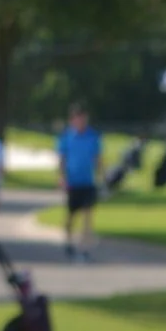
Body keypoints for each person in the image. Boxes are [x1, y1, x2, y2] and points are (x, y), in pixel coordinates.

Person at [56, 106, 101, 262]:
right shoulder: (67, 137)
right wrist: (61, 177)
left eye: (83, 118)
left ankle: (84, 247)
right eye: (78, 118)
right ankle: (68, 242)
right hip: (73, 182)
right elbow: (62, 159)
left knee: (87, 215)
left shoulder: (93, 136)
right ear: (73, 120)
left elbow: (97, 158)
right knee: (71, 216)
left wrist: (101, 176)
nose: (81, 121)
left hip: (87, 182)